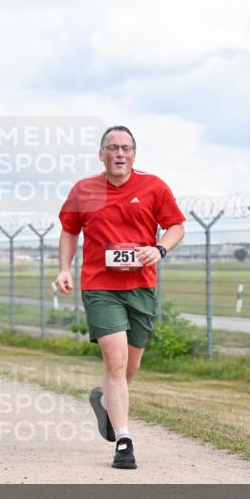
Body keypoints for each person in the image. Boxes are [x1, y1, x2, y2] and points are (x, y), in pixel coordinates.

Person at [55, 125, 186, 470]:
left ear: (134, 154)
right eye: (112, 147)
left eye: (125, 148)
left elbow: (176, 227)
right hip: (100, 286)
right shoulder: (84, 191)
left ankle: (105, 401)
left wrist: (159, 249)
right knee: (115, 362)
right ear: (101, 154)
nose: (119, 154)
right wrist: (65, 268)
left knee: (131, 365)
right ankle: (124, 440)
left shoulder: (154, 186)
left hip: (141, 286)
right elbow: (69, 231)